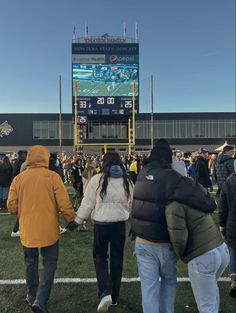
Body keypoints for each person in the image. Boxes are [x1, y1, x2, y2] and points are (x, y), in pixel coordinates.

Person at [130, 139, 216, 313]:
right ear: (168, 158)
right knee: (168, 281)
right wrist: (182, 174)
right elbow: (206, 202)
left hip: (141, 240)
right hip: (163, 242)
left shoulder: (142, 173)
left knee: (148, 289)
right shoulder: (171, 177)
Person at [7, 145, 78, 313]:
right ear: (46, 158)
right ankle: (40, 299)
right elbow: (64, 203)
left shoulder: (19, 179)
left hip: (27, 229)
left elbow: (11, 207)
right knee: (50, 263)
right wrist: (70, 220)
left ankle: (32, 295)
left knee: (30, 263)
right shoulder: (52, 177)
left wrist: (24, 209)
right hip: (49, 230)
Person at [75, 152, 134, 312]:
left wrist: (78, 220)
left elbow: (87, 203)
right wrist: (134, 225)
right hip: (119, 225)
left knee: (100, 258)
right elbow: (132, 205)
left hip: (102, 225)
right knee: (117, 259)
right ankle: (114, 296)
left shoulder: (97, 179)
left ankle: (105, 291)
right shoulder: (127, 181)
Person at [165, 201, 229, 313]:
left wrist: (181, 256)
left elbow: (179, 238)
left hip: (204, 255)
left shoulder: (174, 204)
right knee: (212, 297)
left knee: (207, 306)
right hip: (220, 248)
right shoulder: (194, 194)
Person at [219, 172, 236, 298]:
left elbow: (223, 207)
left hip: (232, 224)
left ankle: (234, 281)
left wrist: (222, 224)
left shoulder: (229, 181)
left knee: (234, 251)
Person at [10, 150, 28, 237]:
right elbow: (14, 175)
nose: (26, 156)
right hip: (20, 187)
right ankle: (15, 230)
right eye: (25, 155)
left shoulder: (21, 163)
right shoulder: (19, 163)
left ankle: (18, 229)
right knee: (23, 209)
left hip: (21, 186)